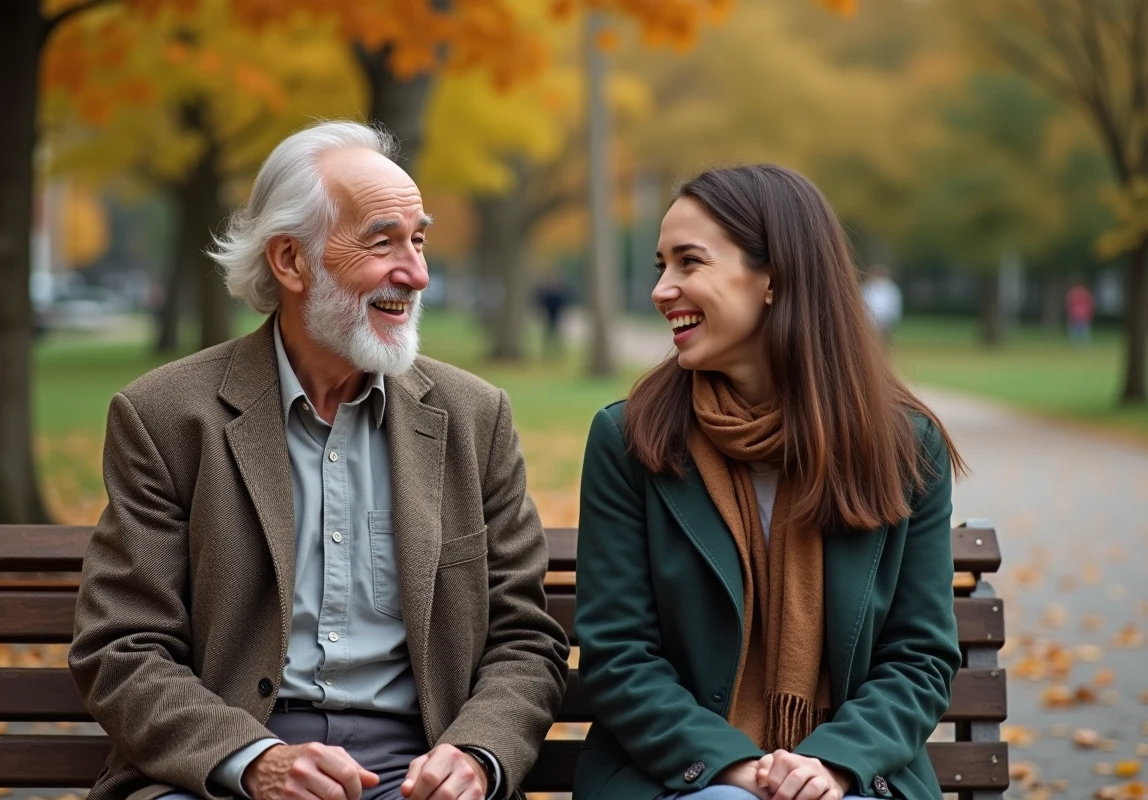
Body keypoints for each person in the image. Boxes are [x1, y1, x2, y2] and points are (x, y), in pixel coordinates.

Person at [69, 121, 570, 800]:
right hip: (227, 771)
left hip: (419, 771)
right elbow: (122, 649)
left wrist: (478, 753)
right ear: (290, 261)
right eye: (383, 242)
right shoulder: (167, 418)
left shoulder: (474, 418)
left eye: (418, 240)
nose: (416, 273)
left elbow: (524, 638)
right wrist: (252, 760)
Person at [573, 165, 965, 800]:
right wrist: (734, 767)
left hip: (851, 778)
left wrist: (832, 764)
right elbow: (619, 657)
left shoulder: (902, 447)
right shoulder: (631, 439)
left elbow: (919, 659)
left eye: (688, 263)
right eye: (660, 266)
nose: (662, 289)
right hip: (679, 777)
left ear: (774, 280)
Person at [861, 265, 902, 343]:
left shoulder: (891, 288)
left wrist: (891, 319)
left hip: (886, 321)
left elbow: (894, 305)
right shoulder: (866, 287)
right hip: (869, 321)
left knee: (884, 342)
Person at [1065, 278, 1094, 345]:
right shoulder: (1086, 292)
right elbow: (1089, 304)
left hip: (1074, 313)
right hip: (1084, 313)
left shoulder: (1072, 292)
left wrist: (1068, 312)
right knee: (1084, 330)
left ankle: (1075, 344)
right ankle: (1083, 344)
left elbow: (1068, 304)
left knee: (1074, 330)